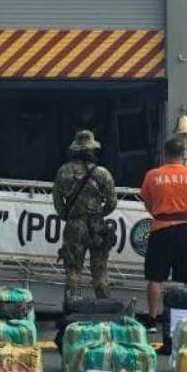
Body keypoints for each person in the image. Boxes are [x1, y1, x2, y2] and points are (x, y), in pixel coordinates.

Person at [138, 136, 187, 316]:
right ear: (183, 154)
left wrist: (158, 214)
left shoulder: (153, 175)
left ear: (165, 154)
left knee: (155, 277)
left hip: (161, 228)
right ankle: (185, 318)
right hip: (186, 229)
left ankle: (152, 317)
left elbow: (146, 201)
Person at [52, 129, 116, 303]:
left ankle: (72, 308)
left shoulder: (63, 171)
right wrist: (99, 214)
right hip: (97, 227)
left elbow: (58, 203)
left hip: (74, 226)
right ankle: (104, 310)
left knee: (73, 270)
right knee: (100, 271)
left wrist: (70, 216)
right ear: (92, 150)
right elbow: (112, 203)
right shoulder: (102, 173)